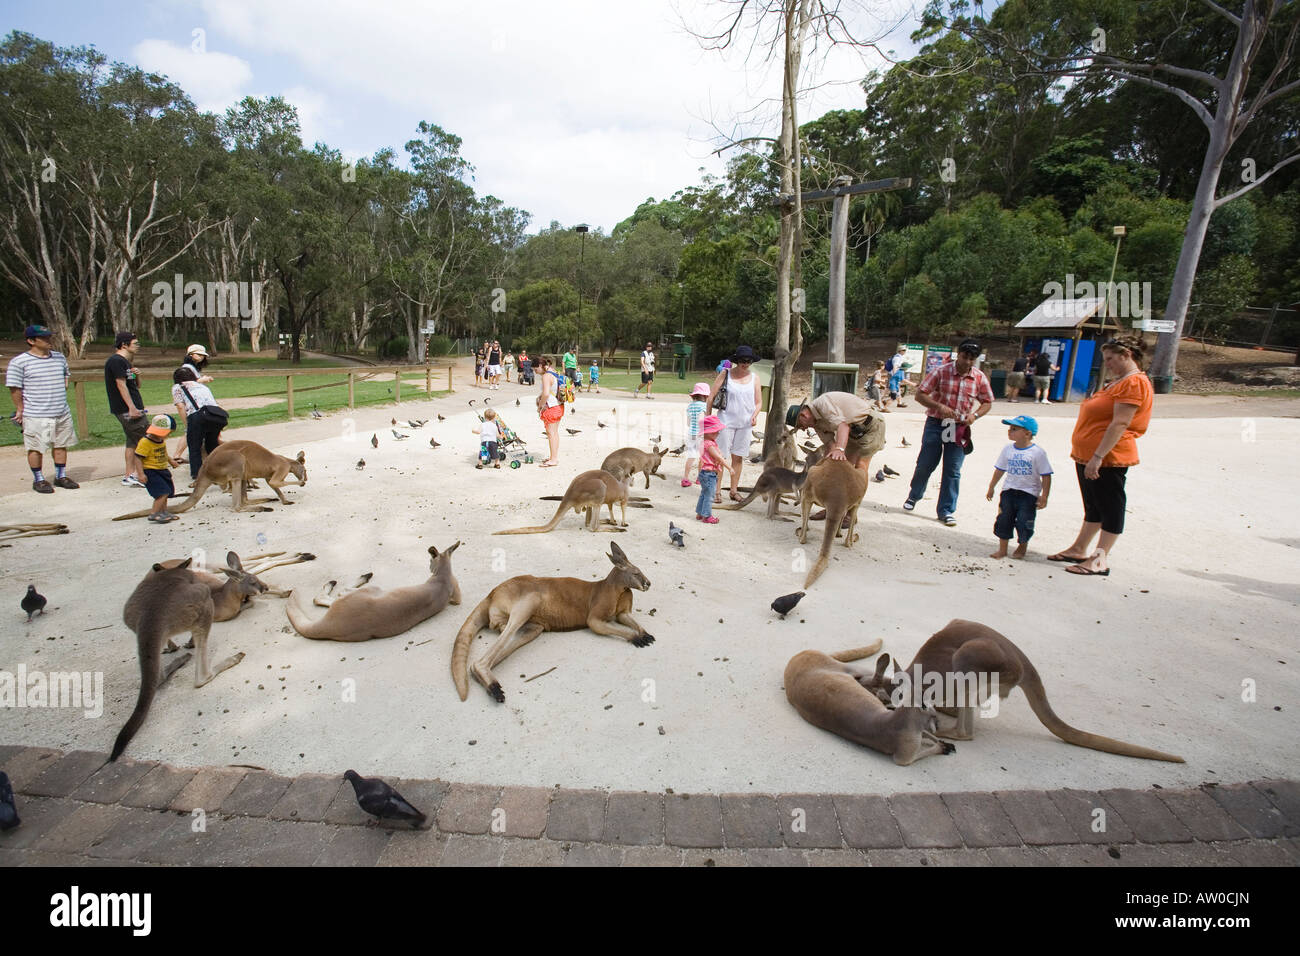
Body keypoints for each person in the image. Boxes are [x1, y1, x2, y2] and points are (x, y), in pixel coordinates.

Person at [1047, 336, 1154, 576]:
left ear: (1126, 354)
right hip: (1089, 454)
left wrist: (1098, 456)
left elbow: (1120, 422)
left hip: (1109, 457)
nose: (1108, 364)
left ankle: (1099, 559)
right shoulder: (1118, 382)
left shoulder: (1134, 383)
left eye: (1110, 359)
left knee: (1110, 507)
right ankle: (1079, 548)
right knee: (1093, 505)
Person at [903, 339, 994, 527]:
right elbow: (920, 394)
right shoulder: (941, 372)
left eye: (972, 359)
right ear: (957, 355)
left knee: (952, 469)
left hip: (958, 427)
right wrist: (938, 406)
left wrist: (975, 415)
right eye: (964, 357)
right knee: (926, 463)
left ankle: (946, 510)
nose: (967, 362)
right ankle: (915, 495)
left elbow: (987, 401)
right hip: (937, 422)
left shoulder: (978, 377)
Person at [786, 390, 887, 526]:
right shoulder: (816, 423)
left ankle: (851, 515)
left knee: (860, 469)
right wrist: (827, 465)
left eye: (800, 425)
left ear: (803, 415)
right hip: (852, 432)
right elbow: (830, 445)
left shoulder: (823, 404)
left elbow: (843, 426)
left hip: (871, 426)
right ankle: (832, 508)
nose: (803, 429)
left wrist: (840, 449)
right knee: (843, 470)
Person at [6, 324, 79, 493]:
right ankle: (38, 479)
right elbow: (14, 388)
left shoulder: (59, 357)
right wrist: (20, 409)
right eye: (44, 338)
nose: (49, 340)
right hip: (36, 413)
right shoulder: (19, 362)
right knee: (36, 447)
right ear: (31, 341)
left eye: (49, 337)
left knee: (61, 444)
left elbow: (65, 376)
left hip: (61, 411)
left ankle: (61, 476)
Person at [986, 414, 1052, 560]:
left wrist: (1044, 496)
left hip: (1028, 494)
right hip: (1009, 491)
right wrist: (992, 486)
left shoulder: (1038, 453)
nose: (1010, 431)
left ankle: (1022, 547)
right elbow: (1000, 470)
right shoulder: (1008, 449)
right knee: (1004, 519)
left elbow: (1046, 475)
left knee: (1024, 521)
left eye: (1014, 429)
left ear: (1028, 433)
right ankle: (1002, 549)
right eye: (1010, 428)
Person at [708, 344, 763, 503]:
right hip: (725, 421)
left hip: (745, 424)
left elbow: (758, 402)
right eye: (742, 360)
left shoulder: (755, 378)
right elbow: (711, 397)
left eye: (748, 361)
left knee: (738, 458)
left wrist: (755, 415)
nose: (745, 363)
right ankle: (717, 491)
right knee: (720, 457)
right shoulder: (726, 374)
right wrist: (708, 418)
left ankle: (733, 490)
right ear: (736, 360)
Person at [105, 331, 148, 488]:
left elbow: (135, 386)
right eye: (135, 343)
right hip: (127, 409)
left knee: (132, 442)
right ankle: (139, 474)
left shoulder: (126, 362)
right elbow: (120, 385)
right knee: (145, 440)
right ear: (124, 345)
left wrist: (137, 375)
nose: (138, 346)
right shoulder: (116, 361)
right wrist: (131, 408)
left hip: (134, 406)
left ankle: (129, 475)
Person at [172, 366, 225, 482]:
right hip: (216, 416)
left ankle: (197, 475)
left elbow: (181, 407)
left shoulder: (177, 387)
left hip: (198, 416)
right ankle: (219, 470)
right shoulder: (202, 386)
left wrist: (187, 425)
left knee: (194, 445)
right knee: (212, 445)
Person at [135, 414, 183, 523]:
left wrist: (171, 461)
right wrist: (141, 474)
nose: (164, 436)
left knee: (167, 491)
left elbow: (163, 452)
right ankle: (154, 513)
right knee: (162, 493)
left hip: (162, 470)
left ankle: (163, 512)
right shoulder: (145, 442)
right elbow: (137, 458)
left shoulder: (160, 441)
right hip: (151, 471)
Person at [695, 415, 732, 524]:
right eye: (716, 431)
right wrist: (729, 468)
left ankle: (700, 513)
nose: (718, 433)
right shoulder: (710, 444)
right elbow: (719, 457)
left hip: (704, 473)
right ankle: (707, 516)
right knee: (709, 495)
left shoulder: (704, 442)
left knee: (704, 493)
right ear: (710, 432)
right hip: (709, 474)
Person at [536, 355, 564, 467]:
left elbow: (546, 394)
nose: (535, 372)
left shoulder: (546, 376)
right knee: (554, 433)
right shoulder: (554, 372)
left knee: (551, 434)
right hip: (559, 406)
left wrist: (540, 406)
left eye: (535, 369)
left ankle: (553, 460)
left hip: (551, 407)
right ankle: (554, 457)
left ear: (540, 365)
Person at [681, 382, 709, 487]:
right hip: (701, 434)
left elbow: (688, 423)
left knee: (691, 456)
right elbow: (702, 420)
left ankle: (685, 478)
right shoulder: (704, 406)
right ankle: (699, 478)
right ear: (705, 395)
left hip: (691, 434)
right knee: (702, 457)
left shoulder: (690, 406)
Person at [884, 345, 909, 409]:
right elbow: (895, 367)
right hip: (893, 375)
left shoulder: (900, 357)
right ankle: (883, 401)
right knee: (892, 390)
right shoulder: (897, 358)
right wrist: (895, 376)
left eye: (905, 350)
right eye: (903, 350)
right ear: (900, 351)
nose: (905, 351)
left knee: (897, 389)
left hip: (895, 375)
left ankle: (899, 402)